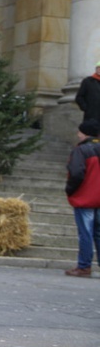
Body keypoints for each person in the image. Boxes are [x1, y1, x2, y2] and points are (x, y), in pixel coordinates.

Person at [64, 118, 100, 278]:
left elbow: (76, 173)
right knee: (98, 233)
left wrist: (70, 190)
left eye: (79, 131)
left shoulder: (81, 150)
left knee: (85, 233)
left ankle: (84, 266)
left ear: (84, 133)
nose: (78, 134)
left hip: (86, 197)